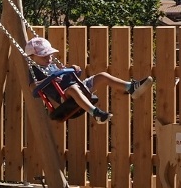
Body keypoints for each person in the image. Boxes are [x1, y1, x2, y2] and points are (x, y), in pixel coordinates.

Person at [24, 36, 153, 123]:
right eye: (44, 56)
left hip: (77, 87)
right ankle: (95, 113)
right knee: (73, 88)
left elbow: (66, 77)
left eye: (50, 55)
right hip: (63, 96)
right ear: (31, 58)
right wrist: (48, 80)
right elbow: (33, 88)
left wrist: (73, 70)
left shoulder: (51, 65)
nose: (49, 58)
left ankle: (130, 87)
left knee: (102, 76)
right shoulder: (34, 70)